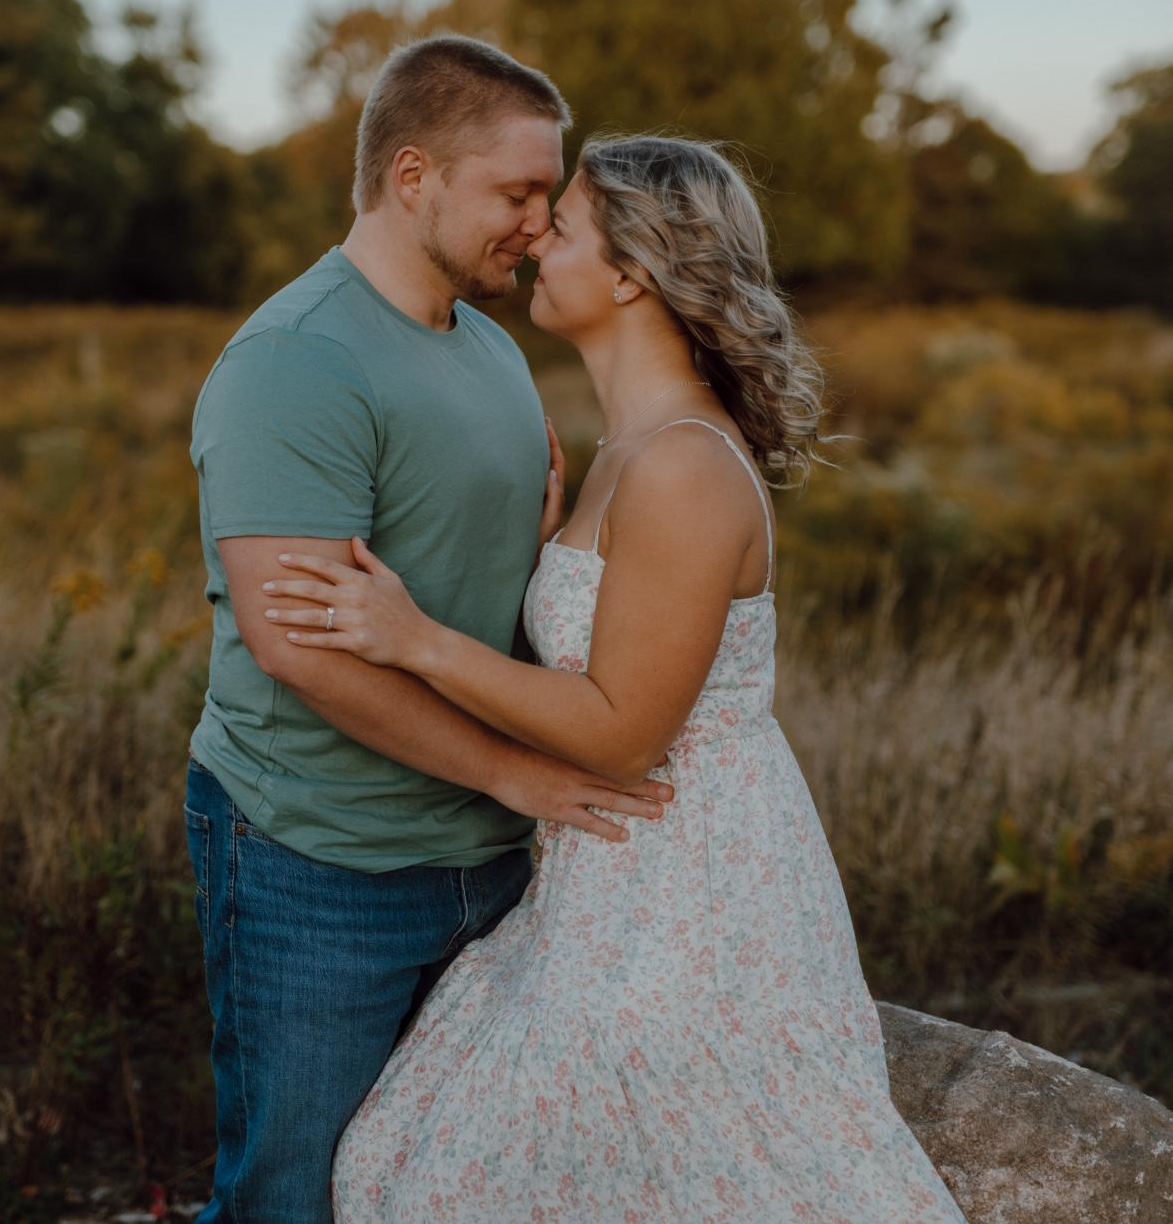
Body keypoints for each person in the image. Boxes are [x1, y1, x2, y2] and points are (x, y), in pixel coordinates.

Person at [265, 135, 968, 1221]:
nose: (534, 238)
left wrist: (416, 640)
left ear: (633, 272)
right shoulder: (630, 447)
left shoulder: (682, 464)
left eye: (564, 224)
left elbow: (624, 731)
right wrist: (543, 553)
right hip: (614, 871)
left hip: (687, 886)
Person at [184, 38, 674, 1222]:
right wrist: (513, 770)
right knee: (292, 1195)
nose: (538, 224)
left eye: (546, 197)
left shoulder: (489, 345)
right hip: (319, 861)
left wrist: (542, 547)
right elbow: (299, 647)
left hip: (490, 859)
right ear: (413, 177)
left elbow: (477, 580)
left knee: (448, 1186)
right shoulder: (297, 362)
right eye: (516, 192)